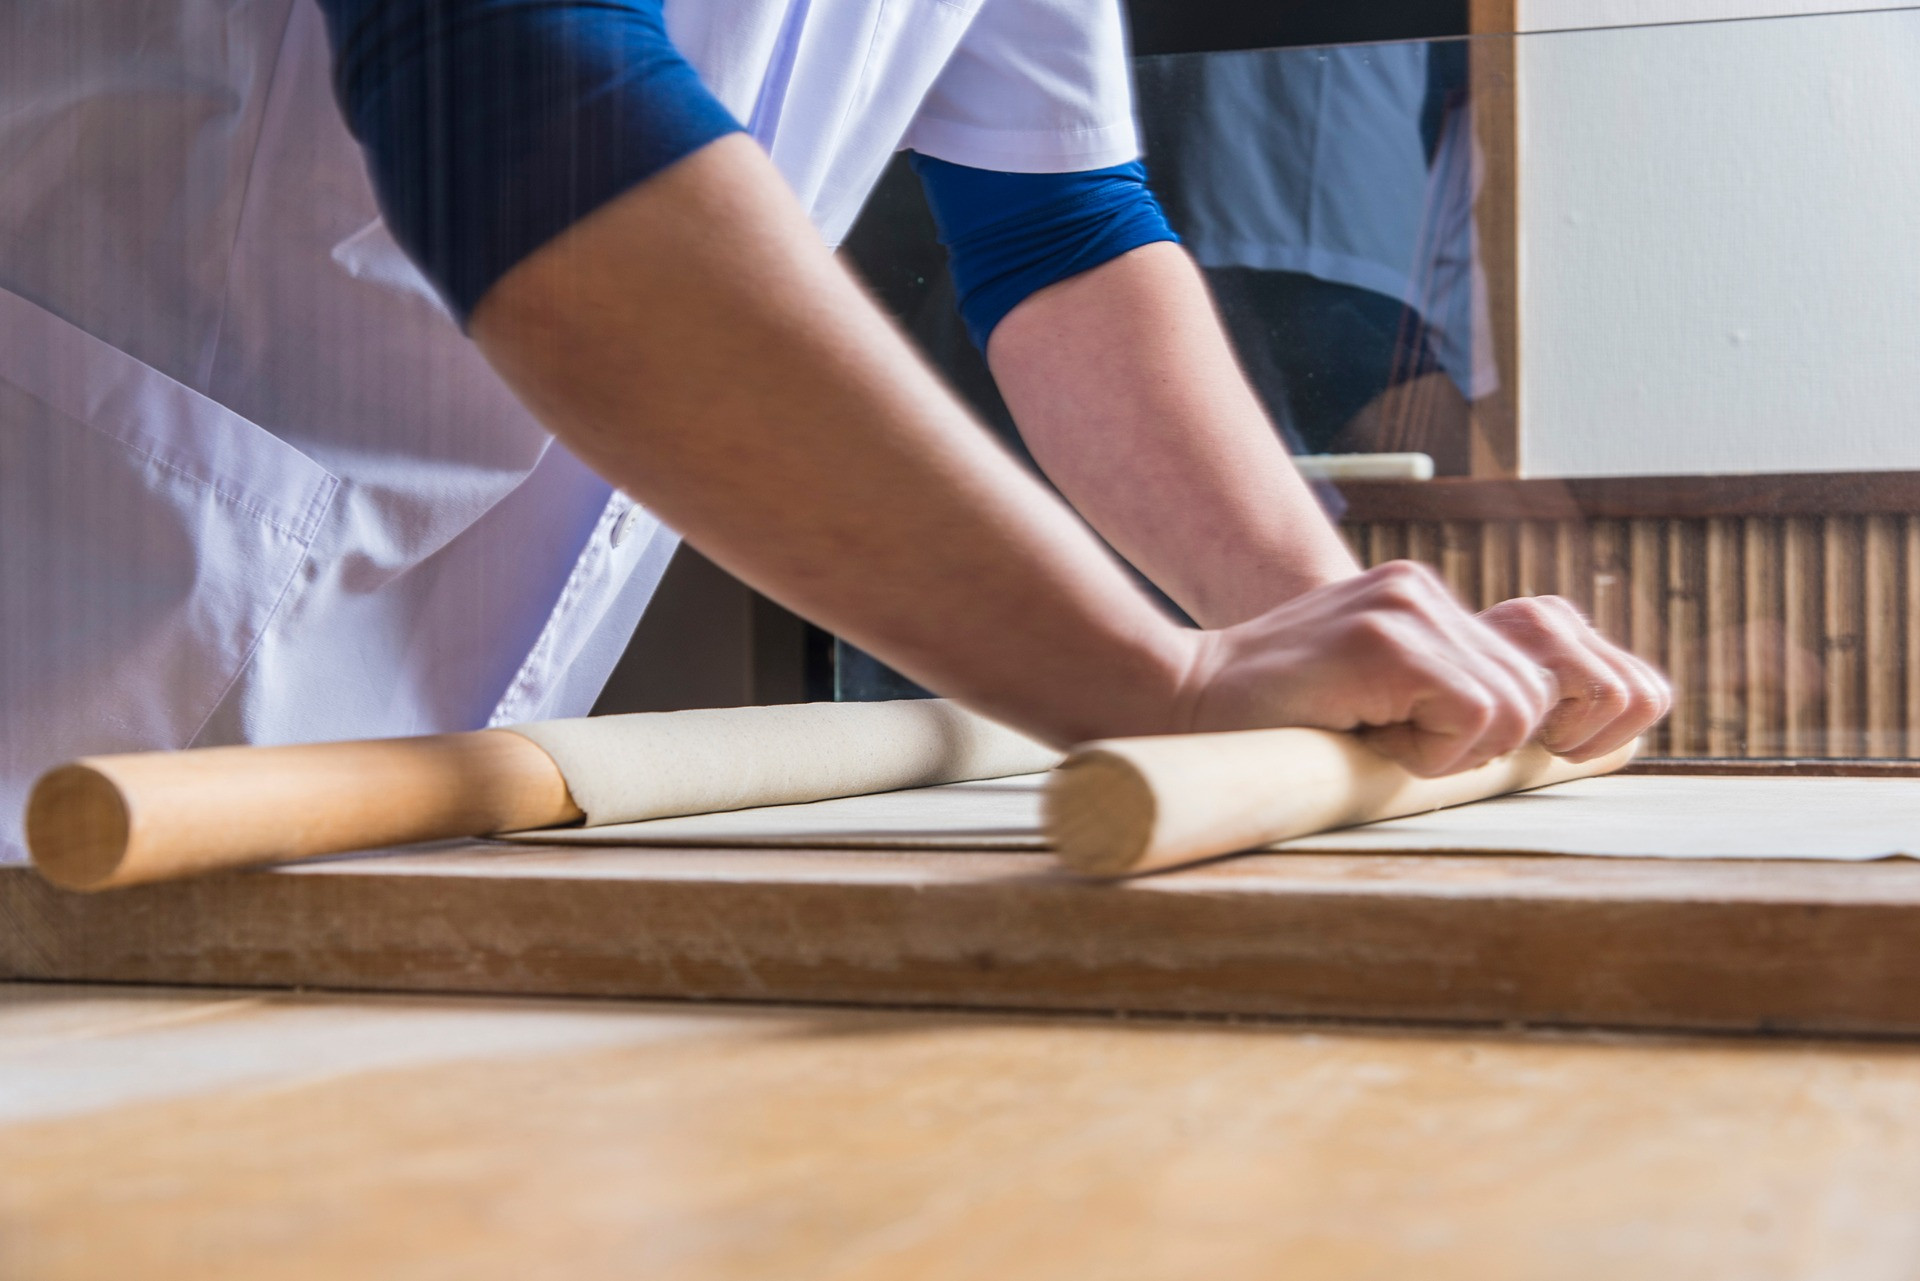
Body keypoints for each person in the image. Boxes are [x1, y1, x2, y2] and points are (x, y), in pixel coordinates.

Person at [0, 0, 1667, 864]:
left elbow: (1061, 232)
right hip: (67, 610)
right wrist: (1154, 687)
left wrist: (1320, 629)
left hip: (405, 748)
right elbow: (515, 85)